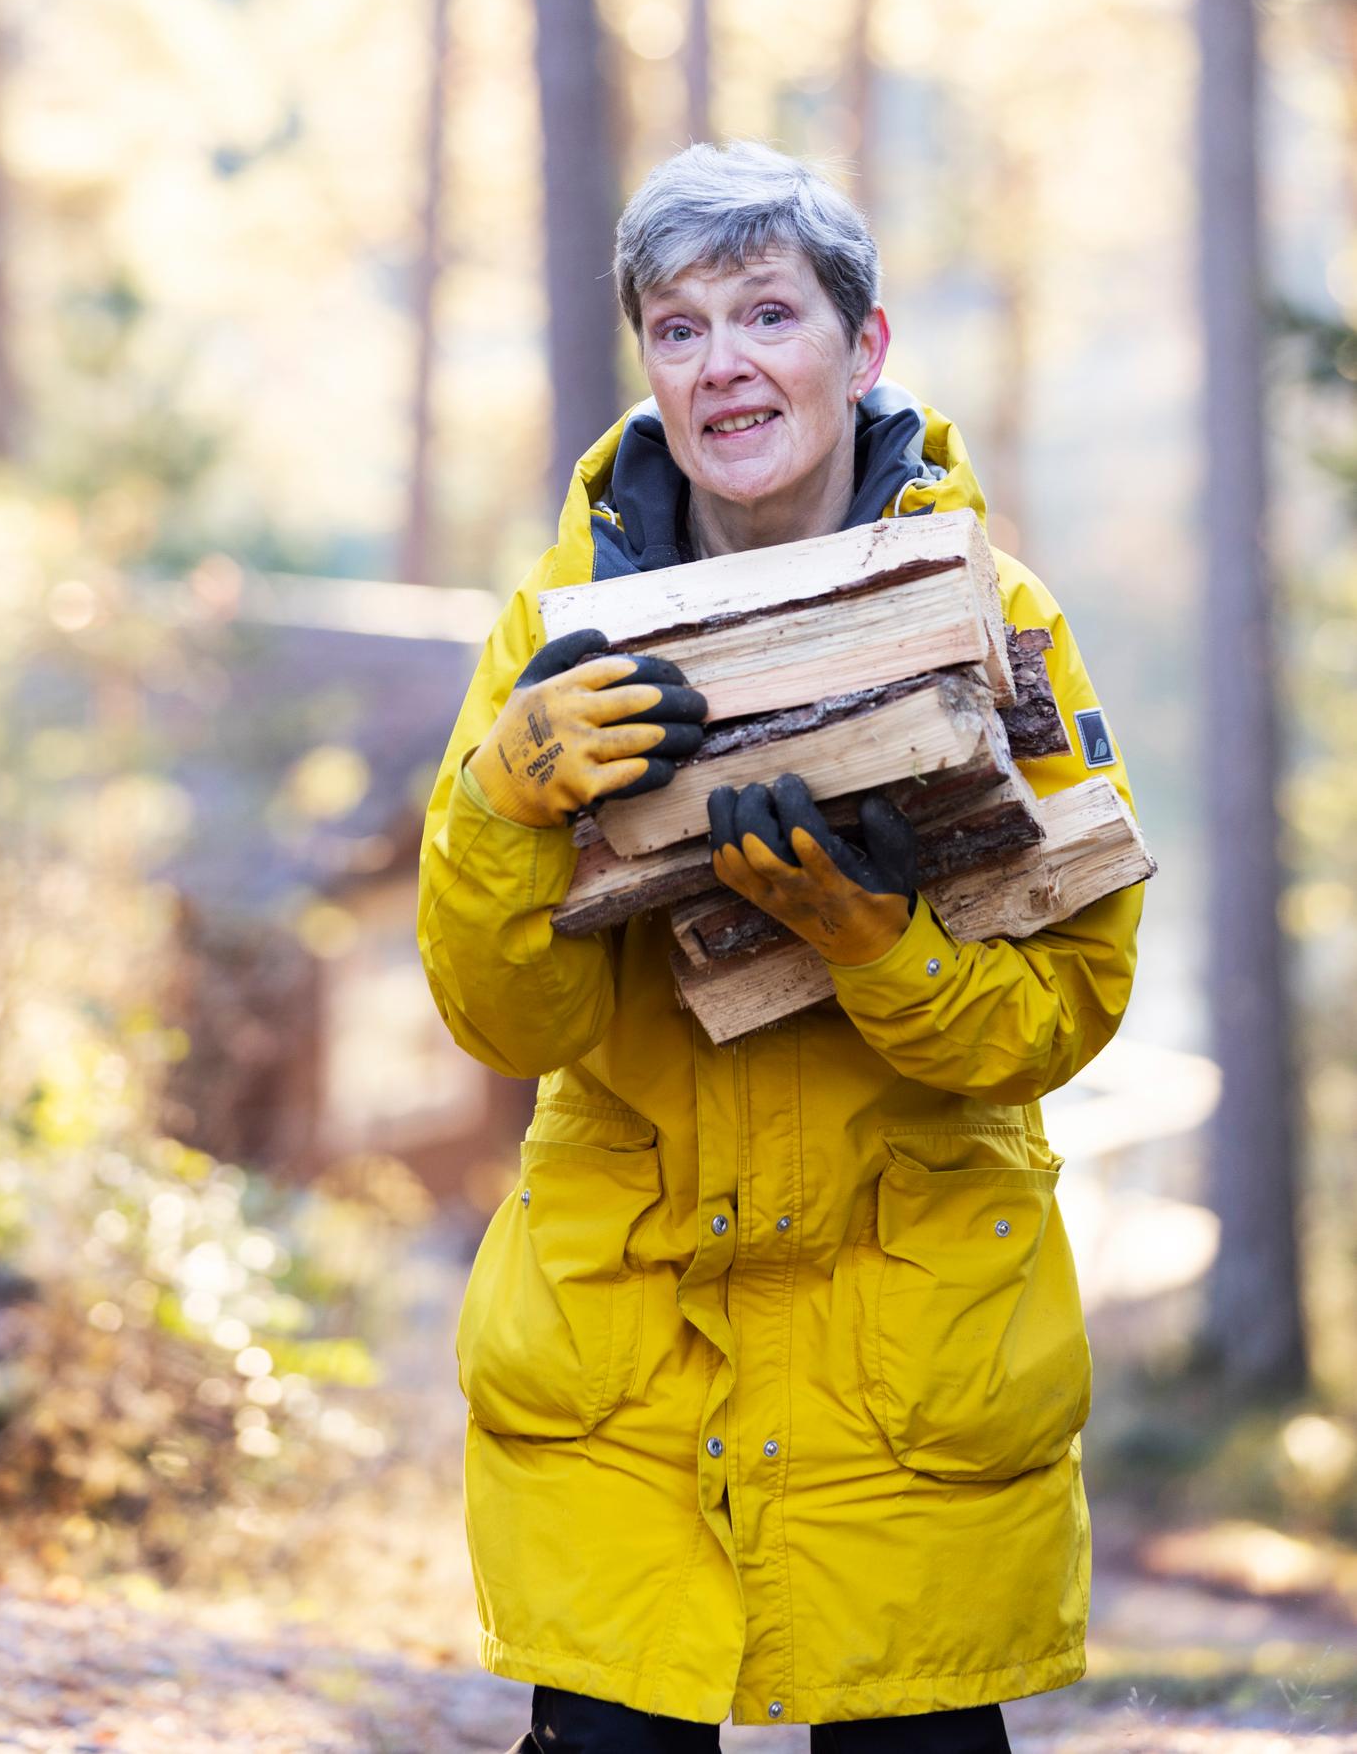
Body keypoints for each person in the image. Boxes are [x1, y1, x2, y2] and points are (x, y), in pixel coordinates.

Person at [416, 142, 1146, 1750]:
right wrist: (502, 801)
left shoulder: (1002, 615)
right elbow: (500, 1017)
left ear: (862, 344)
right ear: (651, 369)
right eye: (678, 327)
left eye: (767, 313)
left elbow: (1062, 1010)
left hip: (912, 1366)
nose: (723, 363)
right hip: (628, 1356)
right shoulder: (553, 641)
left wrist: (880, 944)